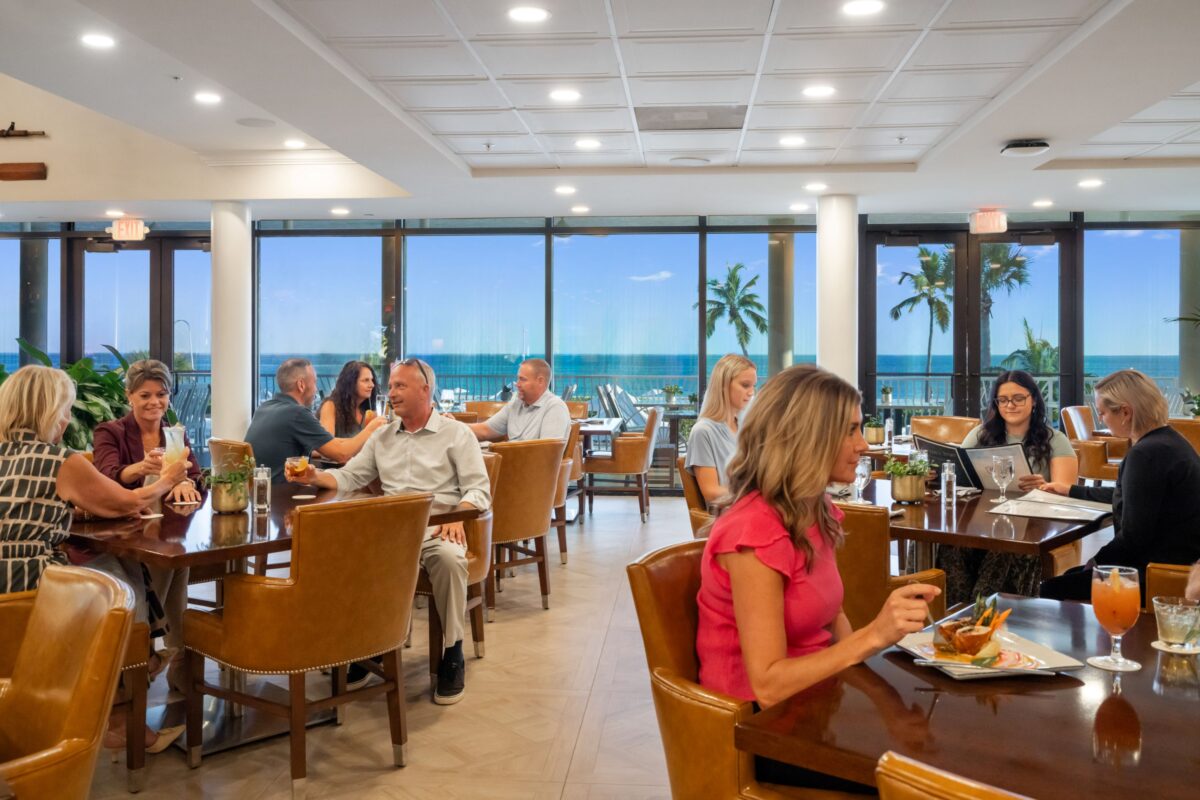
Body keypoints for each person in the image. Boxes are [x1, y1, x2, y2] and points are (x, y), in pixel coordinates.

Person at [695, 364, 939, 792]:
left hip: (817, 701)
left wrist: (883, 699)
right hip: (760, 728)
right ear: (807, 437)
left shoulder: (813, 509)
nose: (863, 445)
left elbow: (831, 616)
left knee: (935, 752)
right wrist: (875, 635)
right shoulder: (753, 533)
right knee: (923, 781)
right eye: (850, 431)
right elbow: (768, 685)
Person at [0, 365, 190, 752]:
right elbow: (129, 501)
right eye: (65, 409)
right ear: (50, 412)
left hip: (7, 588)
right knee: (123, 590)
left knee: (119, 571)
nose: (67, 418)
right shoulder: (59, 460)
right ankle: (133, 685)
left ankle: (141, 669)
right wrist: (170, 478)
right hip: (32, 587)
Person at [287, 358, 491, 705]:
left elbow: (478, 489)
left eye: (400, 386)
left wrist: (458, 514)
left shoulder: (456, 434)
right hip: (390, 530)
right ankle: (372, 646)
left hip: (437, 527)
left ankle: (453, 650)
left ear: (425, 390)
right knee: (342, 556)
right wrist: (315, 476)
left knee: (449, 561)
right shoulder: (382, 436)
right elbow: (350, 476)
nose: (390, 393)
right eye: (391, 385)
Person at [1040, 369, 1200, 601]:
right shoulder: (1169, 441)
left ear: (1125, 412)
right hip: (1180, 565)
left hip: (1155, 574)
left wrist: (1095, 563)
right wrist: (1071, 490)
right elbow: (1135, 497)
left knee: (1049, 589)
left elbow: (1133, 538)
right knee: (1069, 578)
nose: (1101, 419)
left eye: (1102, 412)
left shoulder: (1145, 454)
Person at [92, 359, 204, 690]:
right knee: (170, 559)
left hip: (167, 530)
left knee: (176, 558)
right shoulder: (110, 432)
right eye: (145, 395)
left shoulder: (174, 433)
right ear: (129, 396)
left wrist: (187, 483)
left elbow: (197, 475)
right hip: (125, 532)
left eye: (161, 394)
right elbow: (107, 476)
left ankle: (165, 655)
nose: (155, 402)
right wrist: (141, 468)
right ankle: (154, 656)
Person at [937, 370, 1079, 604]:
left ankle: (984, 612)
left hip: (1031, 528)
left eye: (1018, 398)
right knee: (950, 545)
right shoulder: (981, 435)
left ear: (1034, 400)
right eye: (1002, 400)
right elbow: (959, 471)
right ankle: (956, 612)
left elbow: (1067, 494)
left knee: (1003, 548)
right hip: (982, 523)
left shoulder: (1055, 440)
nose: (1010, 405)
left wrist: (1044, 487)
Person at [245, 358, 387, 482]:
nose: (316, 389)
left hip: (258, 492)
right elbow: (341, 454)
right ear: (301, 385)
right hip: (283, 494)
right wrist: (371, 429)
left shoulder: (264, 408)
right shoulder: (297, 413)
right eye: (315, 382)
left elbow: (332, 442)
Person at [685, 354, 756, 505]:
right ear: (724, 386)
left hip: (749, 507)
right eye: (745, 385)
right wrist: (755, 495)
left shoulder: (744, 427)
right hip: (730, 512)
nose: (751, 392)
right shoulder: (703, 431)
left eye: (753, 386)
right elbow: (711, 492)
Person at [462, 358, 570, 442]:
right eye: (518, 379)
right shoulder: (516, 402)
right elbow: (485, 430)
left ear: (540, 381)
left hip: (527, 464)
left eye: (523, 379)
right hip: (509, 460)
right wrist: (455, 426)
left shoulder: (555, 407)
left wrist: (503, 451)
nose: (517, 384)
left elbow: (547, 454)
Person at [318, 360, 378, 437]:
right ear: (351, 383)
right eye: (366, 380)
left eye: (372, 380)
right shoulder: (330, 406)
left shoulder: (367, 411)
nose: (372, 385)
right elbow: (327, 442)